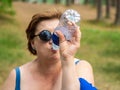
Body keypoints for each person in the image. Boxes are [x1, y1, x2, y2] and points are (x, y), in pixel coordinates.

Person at [2, 8, 97, 90]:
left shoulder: (80, 68)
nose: (53, 41)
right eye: (45, 35)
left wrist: (67, 59)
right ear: (33, 43)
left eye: (59, 34)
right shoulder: (17, 76)